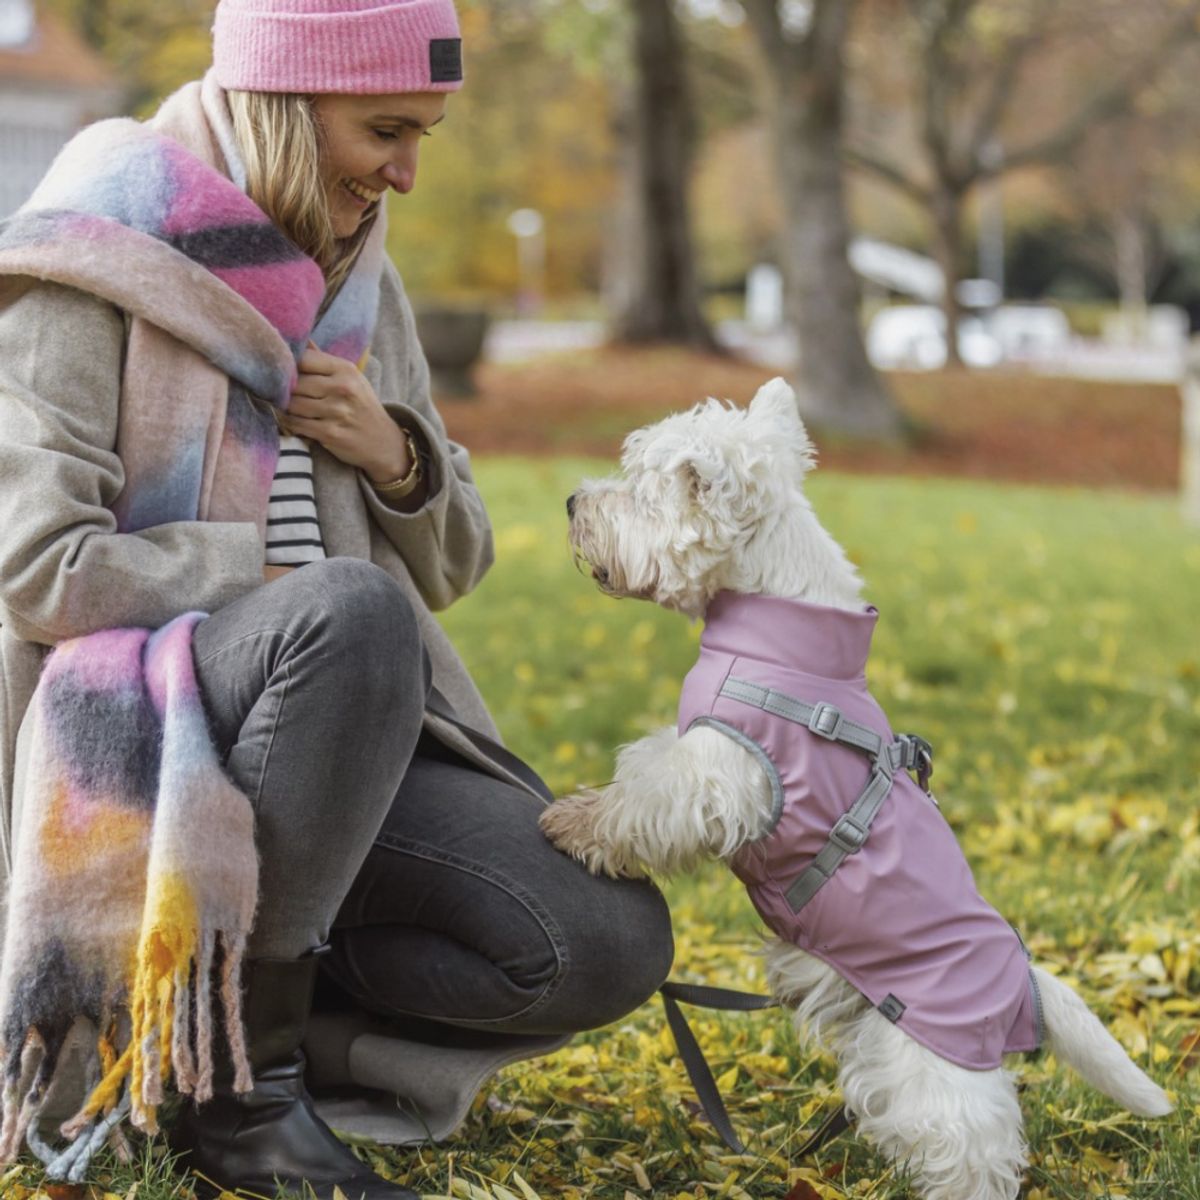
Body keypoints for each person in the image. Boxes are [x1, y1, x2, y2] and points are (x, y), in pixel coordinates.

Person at [0, 2, 673, 1197]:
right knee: (348, 612)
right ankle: (235, 1100)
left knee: (605, 939)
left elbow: (454, 564)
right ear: (283, 104)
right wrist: (255, 582)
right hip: (135, 742)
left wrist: (396, 455)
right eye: (385, 129)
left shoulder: (357, 276)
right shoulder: (91, 246)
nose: (408, 171)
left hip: (329, 752)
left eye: (425, 133)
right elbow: (37, 565)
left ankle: (205, 1020)